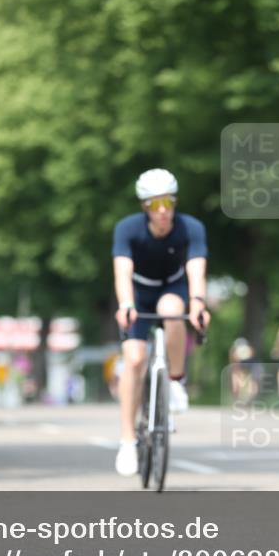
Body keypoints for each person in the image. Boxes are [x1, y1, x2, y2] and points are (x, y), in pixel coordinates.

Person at [112, 168, 210, 476]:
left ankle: (176, 380)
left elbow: (196, 268)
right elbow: (122, 271)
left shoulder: (190, 227)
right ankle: (128, 441)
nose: (163, 211)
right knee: (134, 359)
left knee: (172, 310)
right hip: (138, 293)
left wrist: (198, 303)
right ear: (145, 206)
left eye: (168, 202)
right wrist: (126, 303)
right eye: (155, 205)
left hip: (172, 286)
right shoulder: (127, 229)